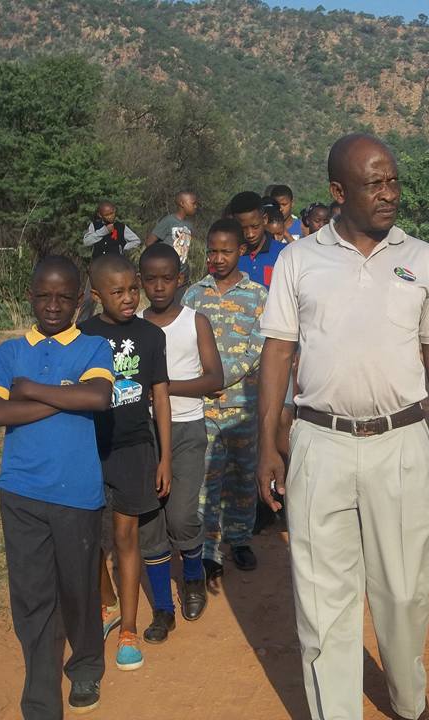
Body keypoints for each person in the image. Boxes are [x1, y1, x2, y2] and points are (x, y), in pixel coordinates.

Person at [256, 133, 429, 720]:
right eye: (375, 183)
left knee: (404, 593)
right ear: (339, 192)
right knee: (324, 604)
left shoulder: (421, 258)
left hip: (400, 444)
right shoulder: (299, 260)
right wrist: (269, 444)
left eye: (393, 180)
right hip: (318, 444)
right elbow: (277, 353)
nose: (389, 193)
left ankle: (407, 700)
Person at [0, 256, 114, 718]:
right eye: (43, 295)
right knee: (32, 596)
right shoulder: (10, 352)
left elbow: (97, 397)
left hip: (76, 493)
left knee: (77, 590)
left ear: (81, 299)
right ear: (30, 296)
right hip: (19, 491)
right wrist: (63, 394)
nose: (53, 304)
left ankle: (86, 665)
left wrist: (31, 389)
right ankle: (40, 699)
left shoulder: (94, 348)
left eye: (63, 297)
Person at [79, 254, 172, 672]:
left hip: (135, 448)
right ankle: (107, 603)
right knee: (90, 538)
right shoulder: (81, 336)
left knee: (125, 537)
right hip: (90, 449)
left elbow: (161, 396)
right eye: (117, 292)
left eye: (132, 289)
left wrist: (164, 455)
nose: (129, 297)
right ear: (96, 296)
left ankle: (129, 629)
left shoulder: (151, 336)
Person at [137, 243, 224, 642]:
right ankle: (161, 607)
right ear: (140, 282)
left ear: (180, 280)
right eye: (150, 279)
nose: (158, 286)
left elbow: (214, 378)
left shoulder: (195, 322)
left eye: (166, 278)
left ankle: (192, 576)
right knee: (150, 520)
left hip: (187, 428)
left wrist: (164, 387)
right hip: (144, 433)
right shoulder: (135, 324)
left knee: (182, 515)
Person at [183, 218, 266, 582]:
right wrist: (200, 383)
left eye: (225, 251)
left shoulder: (258, 296)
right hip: (202, 406)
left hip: (242, 407)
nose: (217, 258)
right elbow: (183, 345)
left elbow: (257, 349)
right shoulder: (192, 296)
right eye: (212, 251)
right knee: (206, 481)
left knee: (242, 476)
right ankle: (209, 549)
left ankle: (240, 539)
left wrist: (217, 377)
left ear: (241, 252)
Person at [77, 202, 142, 323]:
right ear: (100, 215)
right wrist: (104, 231)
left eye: (112, 213)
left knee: (114, 297)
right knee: (88, 299)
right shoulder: (94, 226)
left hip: (114, 271)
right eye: (106, 214)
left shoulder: (121, 227)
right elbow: (87, 241)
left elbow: (136, 240)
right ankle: (82, 325)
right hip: (96, 269)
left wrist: (123, 248)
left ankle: (115, 322)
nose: (110, 216)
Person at [145, 191, 199, 302]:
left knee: (179, 304)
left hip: (182, 273)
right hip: (168, 273)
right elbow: (150, 242)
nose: (195, 206)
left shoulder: (189, 225)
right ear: (182, 203)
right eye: (193, 203)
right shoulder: (169, 221)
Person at [230, 191, 286, 289]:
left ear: (264, 219)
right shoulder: (228, 256)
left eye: (255, 226)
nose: (250, 234)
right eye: (243, 228)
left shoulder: (284, 253)